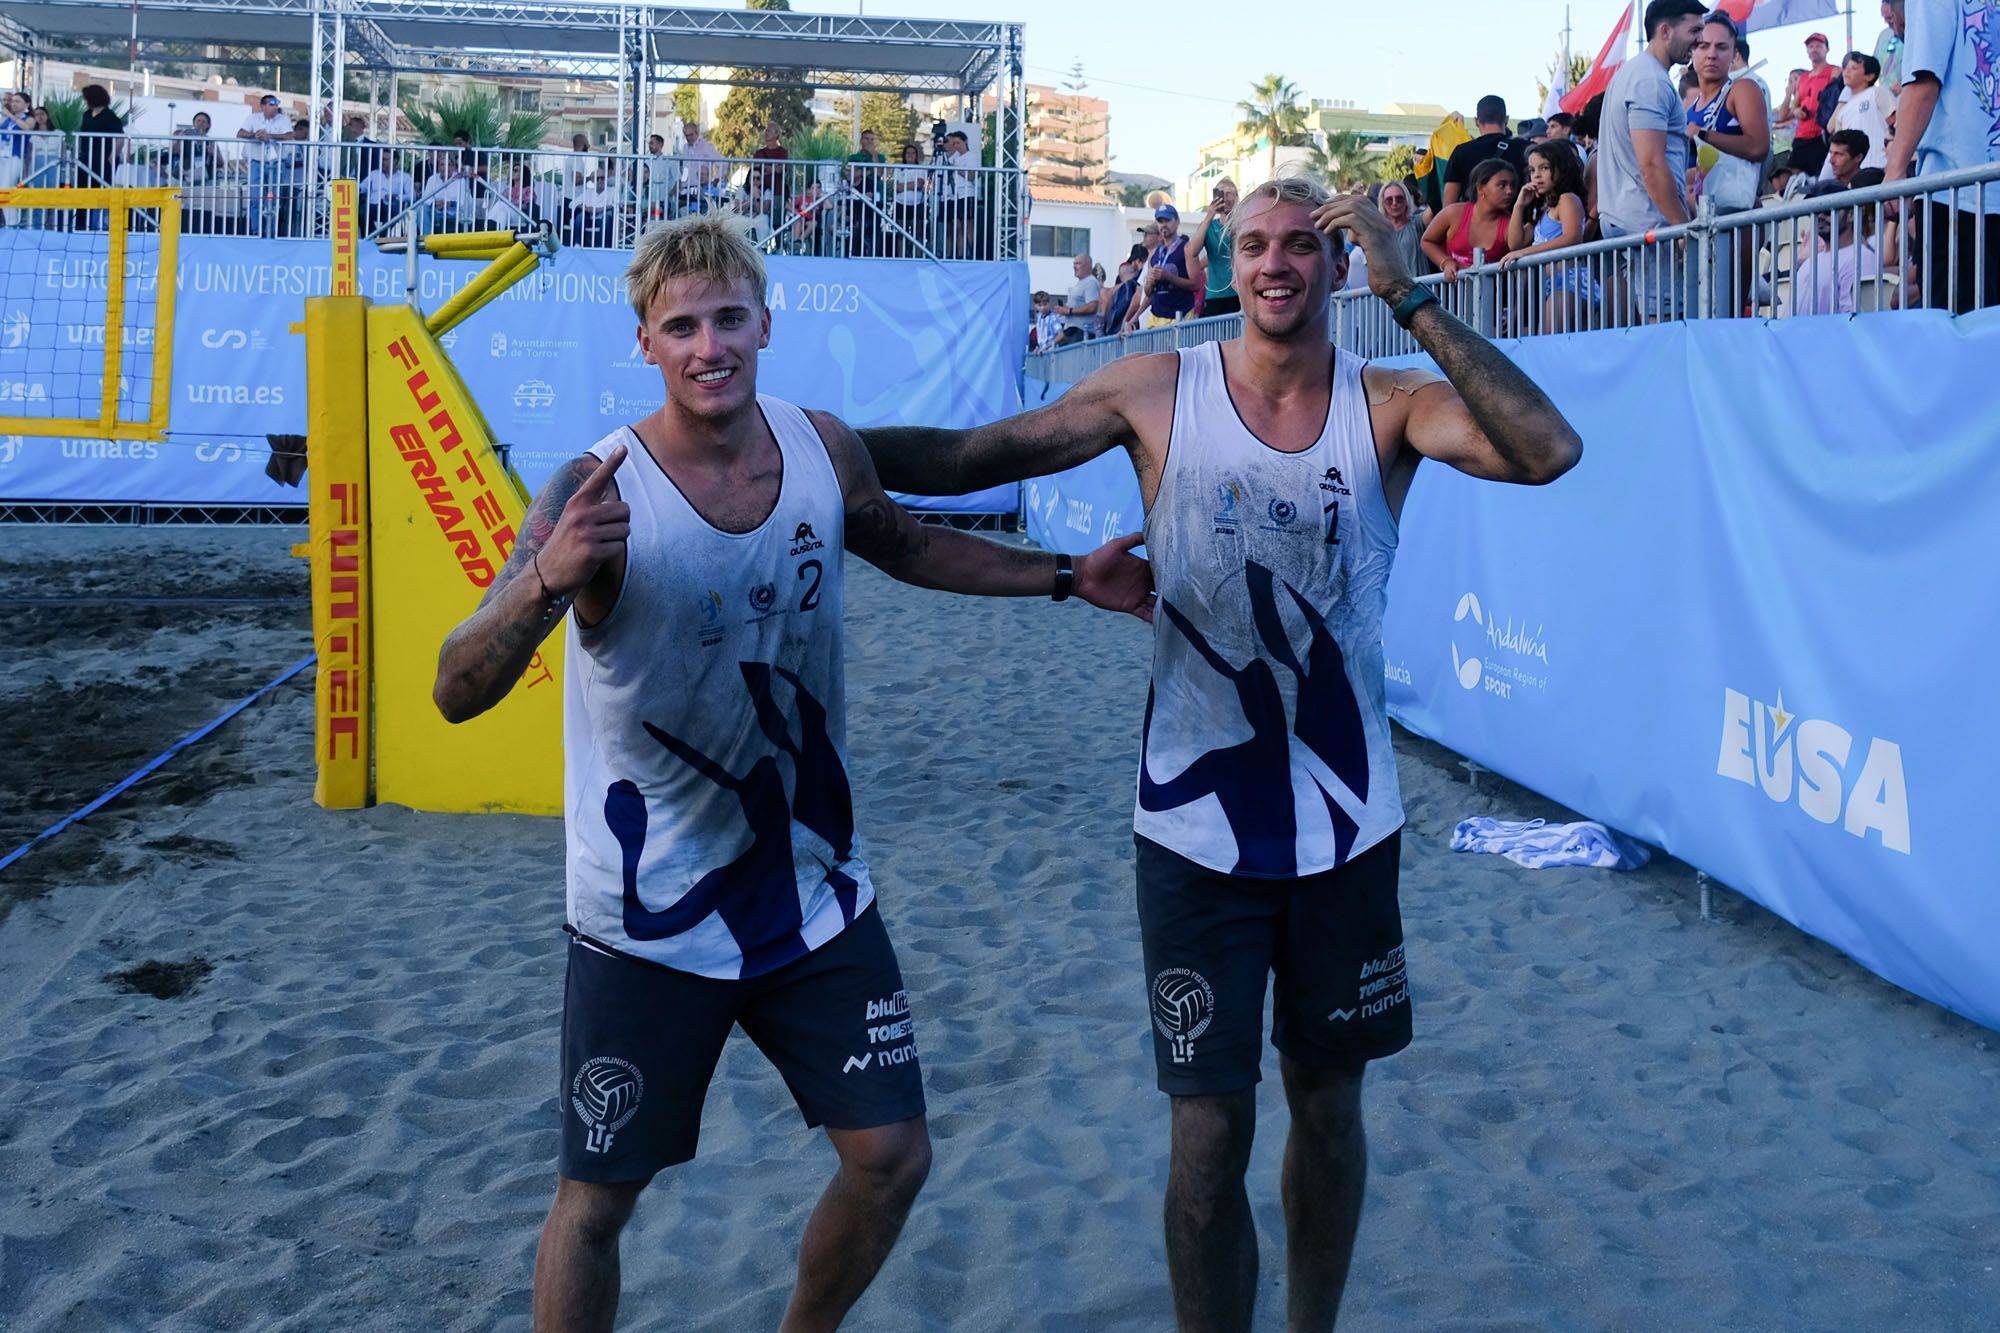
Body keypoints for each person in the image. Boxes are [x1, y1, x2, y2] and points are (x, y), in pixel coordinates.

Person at [854, 175, 1581, 1333]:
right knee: (1206, 1128)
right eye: (1255, 245)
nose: (1278, 263)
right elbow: (974, 454)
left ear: (1337, 266)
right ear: (1229, 262)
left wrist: (1413, 295)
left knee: (1328, 1105)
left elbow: (1546, 449)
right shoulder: (1156, 389)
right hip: (1193, 831)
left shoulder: (1388, 402)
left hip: (1347, 827)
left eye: (1303, 244)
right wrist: (818, 444)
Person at [431, 212, 1151, 1333]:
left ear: (766, 323)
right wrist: (540, 584)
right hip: (648, 914)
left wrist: (1064, 577)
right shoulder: (598, 487)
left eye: (728, 318)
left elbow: (909, 544)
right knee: (597, 1202)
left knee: (891, 1156)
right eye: (681, 327)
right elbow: (454, 687)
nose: (708, 345)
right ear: (645, 345)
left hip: (812, 889)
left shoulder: (819, 449)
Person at [1886, 0, 2000, 314]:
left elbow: (1923, 82)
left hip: (1956, 192)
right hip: (1980, 188)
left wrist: (1894, 171)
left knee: (1957, 329)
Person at [1598, 0, 1707, 322]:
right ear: (1665, 30)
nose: (1699, 40)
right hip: (1647, 220)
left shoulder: (1632, 73)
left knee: (1643, 325)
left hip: (1626, 216)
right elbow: (1651, 163)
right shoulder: (1651, 81)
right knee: (1665, 322)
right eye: (1694, 30)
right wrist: (1681, 226)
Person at [1686, 9, 1771, 313]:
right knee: (1702, 310)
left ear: (1734, 54)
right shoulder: (1691, 105)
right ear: (1691, 51)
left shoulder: (1742, 88)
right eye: (1704, 46)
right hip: (1702, 219)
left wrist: (1704, 135)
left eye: (1722, 47)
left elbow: (1759, 146)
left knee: (1729, 306)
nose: (1712, 55)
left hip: (1738, 215)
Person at [1503, 140, 1593, 332]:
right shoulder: (1544, 208)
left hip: (1570, 283)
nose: (1536, 175)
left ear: (1562, 168)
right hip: (1549, 285)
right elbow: (1515, 243)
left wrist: (1525, 253)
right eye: (1532, 170)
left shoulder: (1567, 199)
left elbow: (1572, 238)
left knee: (1550, 340)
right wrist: (1519, 205)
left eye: (1544, 168)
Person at [1421, 157, 1517, 281]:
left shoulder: (1510, 223)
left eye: (1512, 185)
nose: (1509, 191)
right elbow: (1427, 241)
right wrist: (1446, 262)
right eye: (1502, 185)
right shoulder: (1453, 213)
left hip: (1493, 297)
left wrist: (1520, 206)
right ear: (1481, 188)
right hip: (1452, 294)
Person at [1441, 95, 1529, 206]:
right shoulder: (1526, 149)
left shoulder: (1462, 152)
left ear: (1476, 121)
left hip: (1474, 221)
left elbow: (1449, 204)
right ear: (1506, 119)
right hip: (1517, 221)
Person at [1822, 53, 1895, 176]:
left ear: (1869, 76)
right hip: (1857, 173)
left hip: (1881, 165)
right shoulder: (1842, 111)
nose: (1847, 72)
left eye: (1854, 68)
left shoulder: (1877, 93)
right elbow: (1840, 143)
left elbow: (1895, 122)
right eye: (1845, 68)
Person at [1781, 31, 1841, 177]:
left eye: (1818, 46)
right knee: (1792, 178)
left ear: (1827, 49)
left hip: (1822, 134)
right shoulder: (1802, 77)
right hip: (1802, 135)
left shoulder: (1834, 71)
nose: (1814, 49)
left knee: (1823, 177)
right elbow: (1790, 109)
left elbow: (1838, 99)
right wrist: (1795, 110)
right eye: (1811, 46)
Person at [1129, 202, 1197, 329]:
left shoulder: (1186, 248)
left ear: (1177, 221)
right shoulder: (1155, 253)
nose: (1164, 225)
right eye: (1160, 221)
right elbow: (1149, 293)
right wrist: (1149, 284)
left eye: (1167, 220)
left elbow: (1196, 284)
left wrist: (1169, 277)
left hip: (1180, 317)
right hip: (1155, 318)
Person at [238, 94, 292, 236]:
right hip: (257, 161)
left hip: (277, 162)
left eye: (276, 104)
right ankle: (256, 231)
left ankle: (272, 231)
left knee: (274, 199)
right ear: (262, 106)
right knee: (255, 199)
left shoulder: (283, 119)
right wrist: (254, 135)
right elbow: (240, 133)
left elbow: (289, 136)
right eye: (271, 104)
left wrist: (270, 136)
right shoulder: (253, 118)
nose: (275, 107)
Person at [1189, 178, 1241, 316]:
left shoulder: (1242, 224)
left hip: (1240, 292)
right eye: (1221, 194)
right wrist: (1209, 216)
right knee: (1213, 335)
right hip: (1215, 294)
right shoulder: (1210, 226)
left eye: (1230, 193)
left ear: (1236, 197)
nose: (1226, 198)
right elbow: (1192, 251)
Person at [844, 129, 887, 256]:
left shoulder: (880, 157)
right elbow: (852, 174)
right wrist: (867, 172)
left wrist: (873, 155)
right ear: (862, 140)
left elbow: (879, 173)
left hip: (875, 196)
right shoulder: (854, 157)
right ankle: (855, 253)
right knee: (857, 226)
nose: (869, 142)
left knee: (874, 228)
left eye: (872, 139)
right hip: (857, 196)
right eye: (867, 138)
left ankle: (873, 255)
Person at [1375, 179, 1430, 276]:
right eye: (1389, 200)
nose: (1394, 203)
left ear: (1406, 201)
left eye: (1399, 198)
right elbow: (1353, 237)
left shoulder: (1417, 223)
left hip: (1419, 288)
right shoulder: (1379, 232)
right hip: (1393, 290)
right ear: (1382, 203)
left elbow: (1435, 206)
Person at [1053, 252, 1103, 344]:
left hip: (1081, 332)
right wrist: (1064, 309)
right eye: (1074, 264)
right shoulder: (1082, 283)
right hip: (1072, 330)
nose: (1074, 267)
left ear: (1088, 266)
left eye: (1078, 263)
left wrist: (1069, 311)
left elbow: (1092, 307)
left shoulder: (1090, 282)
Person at [674, 120, 722, 215]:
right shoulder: (685, 148)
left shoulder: (706, 146)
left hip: (703, 189)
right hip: (687, 188)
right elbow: (686, 169)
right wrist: (682, 183)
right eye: (686, 135)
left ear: (697, 133)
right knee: (681, 213)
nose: (688, 138)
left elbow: (723, 164)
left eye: (691, 135)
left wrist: (716, 180)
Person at [890, 143, 929, 256]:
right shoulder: (898, 168)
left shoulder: (921, 168)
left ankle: (917, 257)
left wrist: (904, 186)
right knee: (901, 233)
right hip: (901, 204)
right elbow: (896, 187)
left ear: (916, 155)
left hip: (917, 204)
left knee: (918, 233)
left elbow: (920, 184)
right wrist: (911, 184)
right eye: (908, 153)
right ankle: (901, 257)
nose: (910, 155)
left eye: (913, 153)